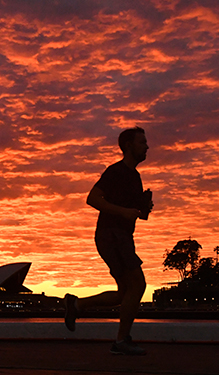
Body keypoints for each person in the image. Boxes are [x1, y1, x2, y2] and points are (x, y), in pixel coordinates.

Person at [64, 127, 153, 355]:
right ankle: (121, 341)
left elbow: (135, 212)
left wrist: (143, 209)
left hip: (121, 236)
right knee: (138, 285)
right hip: (112, 235)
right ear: (128, 146)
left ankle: (77, 305)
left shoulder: (135, 177)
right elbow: (92, 198)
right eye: (142, 142)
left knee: (125, 292)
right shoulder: (116, 171)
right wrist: (123, 212)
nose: (147, 147)